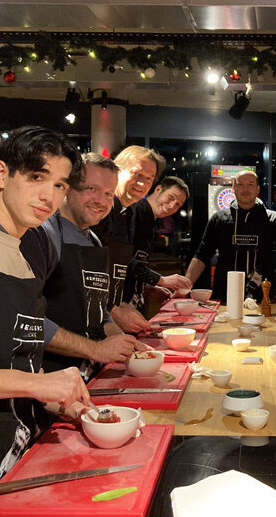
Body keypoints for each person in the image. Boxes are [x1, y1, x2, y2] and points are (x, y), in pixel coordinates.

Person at [0, 126, 89, 517]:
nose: (49, 196)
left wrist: (55, 399)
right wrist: (38, 382)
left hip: (12, 458)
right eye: (37, 177)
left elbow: (9, 356)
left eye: (61, 185)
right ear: (2, 174)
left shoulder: (20, 248)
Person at [20, 153, 149, 381]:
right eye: (91, 189)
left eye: (108, 193)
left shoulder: (94, 241)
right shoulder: (42, 234)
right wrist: (95, 349)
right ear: (67, 189)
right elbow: (25, 321)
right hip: (48, 380)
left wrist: (127, 346)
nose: (101, 200)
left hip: (87, 375)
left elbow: (99, 314)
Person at [185, 170, 276, 302]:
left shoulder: (272, 219)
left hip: (264, 296)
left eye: (250, 184)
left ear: (257, 189)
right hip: (225, 296)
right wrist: (185, 286)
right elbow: (202, 255)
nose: (245, 189)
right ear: (233, 188)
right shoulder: (219, 219)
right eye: (240, 184)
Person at [93, 145, 166, 333]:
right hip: (90, 316)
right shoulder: (99, 209)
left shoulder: (130, 211)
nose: (142, 184)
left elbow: (122, 262)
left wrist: (149, 287)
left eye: (149, 179)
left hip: (111, 312)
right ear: (117, 171)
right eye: (137, 175)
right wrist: (115, 311)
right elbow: (83, 268)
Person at [126, 176, 192, 313]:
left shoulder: (151, 221)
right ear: (158, 189)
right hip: (121, 304)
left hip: (135, 301)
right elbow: (122, 260)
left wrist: (149, 288)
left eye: (178, 204)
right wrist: (160, 280)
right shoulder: (133, 212)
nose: (172, 205)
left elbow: (135, 267)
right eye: (171, 197)